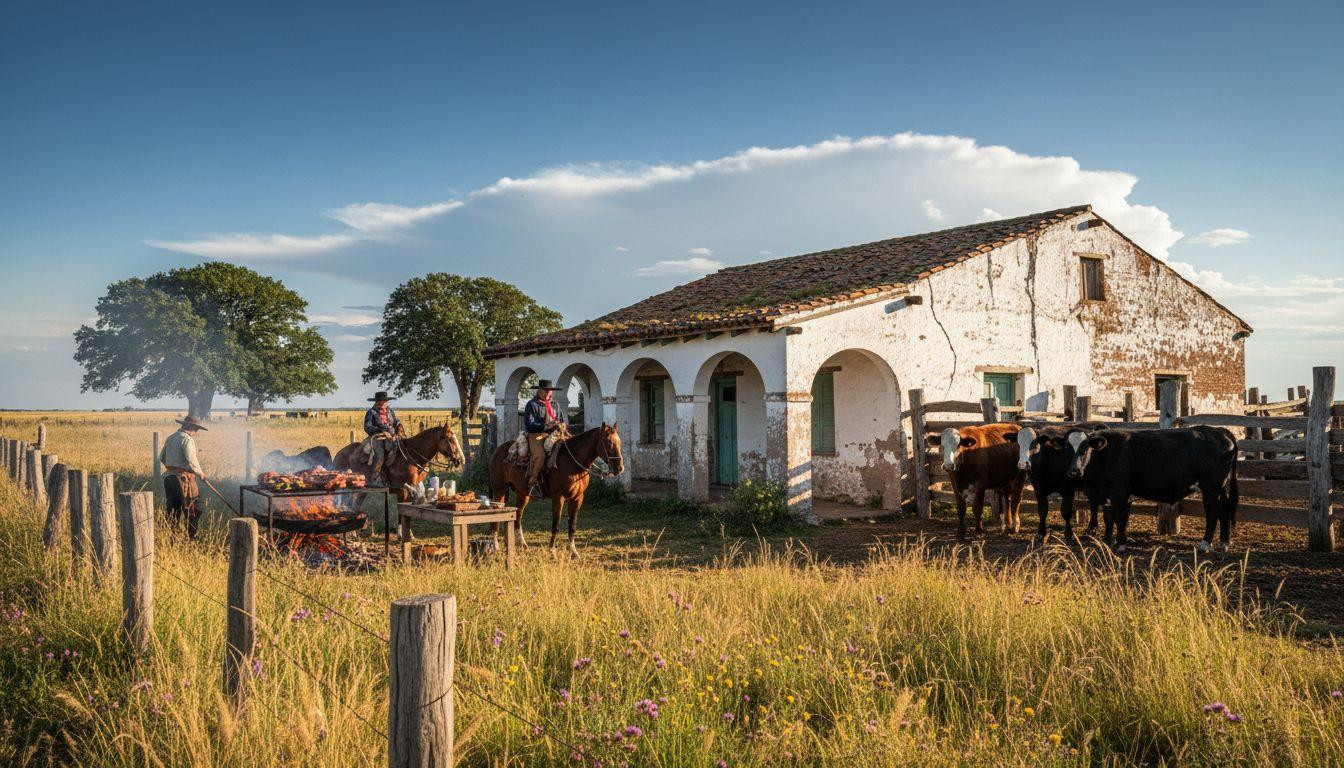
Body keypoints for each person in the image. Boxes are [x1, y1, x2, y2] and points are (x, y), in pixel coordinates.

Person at [159, 415, 207, 539]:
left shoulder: (171, 438)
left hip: (169, 478)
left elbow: (162, 457)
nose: (196, 432)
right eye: (196, 429)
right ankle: (191, 538)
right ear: (190, 427)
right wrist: (200, 474)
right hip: (183, 479)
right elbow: (191, 460)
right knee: (192, 508)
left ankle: (171, 536)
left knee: (173, 509)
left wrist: (172, 468)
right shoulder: (187, 439)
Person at [523, 379, 566, 494]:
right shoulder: (531, 405)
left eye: (550, 391)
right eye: (546, 391)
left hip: (555, 434)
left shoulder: (555, 404)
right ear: (540, 390)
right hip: (537, 435)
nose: (548, 393)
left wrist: (561, 426)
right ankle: (533, 483)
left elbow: (562, 419)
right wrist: (546, 426)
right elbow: (529, 425)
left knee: (568, 447)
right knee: (540, 456)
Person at [362, 391, 402, 478]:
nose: (383, 404)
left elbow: (396, 422)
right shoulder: (371, 412)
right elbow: (367, 427)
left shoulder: (390, 411)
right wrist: (381, 431)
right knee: (380, 454)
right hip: (377, 437)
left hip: (391, 436)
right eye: (380, 402)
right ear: (376, 402)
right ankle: (376, 477)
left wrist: (399, 428)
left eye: (384, 402)